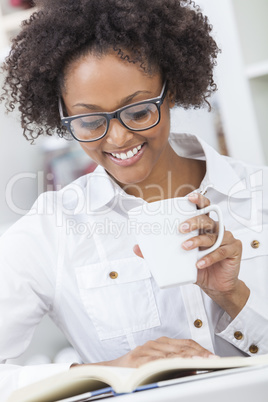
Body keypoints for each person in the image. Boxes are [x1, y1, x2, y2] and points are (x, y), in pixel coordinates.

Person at [0, 0, 268, 399]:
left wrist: (232, 297)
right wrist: (104, 371)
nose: (119, 139)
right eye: (90, 121)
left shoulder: (258, 195)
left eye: (139, 112)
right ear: (62, 115)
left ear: (171, 90)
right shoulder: (50, 230)